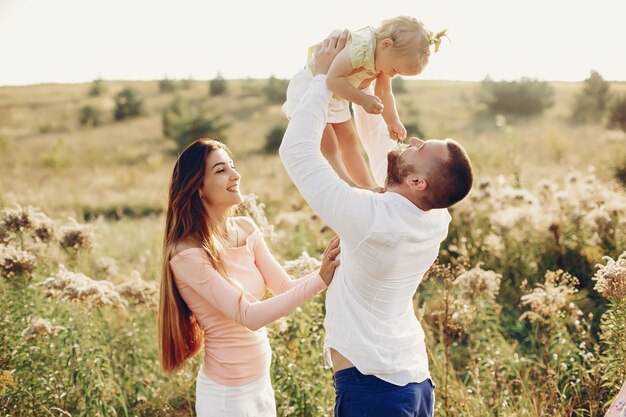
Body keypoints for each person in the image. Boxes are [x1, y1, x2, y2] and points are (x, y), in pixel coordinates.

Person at [279, 31, 473, 417]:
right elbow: (383, 147)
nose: (412, 140)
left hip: (374, 388)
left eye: (420, 148)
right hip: (413, 381)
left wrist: (322, 79)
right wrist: (374, 82)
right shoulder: (435, 216)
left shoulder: (371, 219)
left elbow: (297, 151)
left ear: (418, 182)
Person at [157, 138, 341, 417]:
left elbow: (283, 287)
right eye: (220, 170)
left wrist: (334, 265)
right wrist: (320, 280)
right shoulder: (187, 254)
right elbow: (248, 316)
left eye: (232, 166)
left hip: (261, 385)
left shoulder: (245, 228)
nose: (235, 175)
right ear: (198, 187)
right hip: (226, 398)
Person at [282, 16, 447, 191]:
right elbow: (332, 79)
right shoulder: (361, 48)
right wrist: (363, 99)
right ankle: (347, 183)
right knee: (329, 143)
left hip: (337, 95)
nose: (392, 75)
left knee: (349, 141)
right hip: (312, 87)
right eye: (395, 70)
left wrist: (393, 121)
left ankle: (366, 186)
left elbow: (384, 92)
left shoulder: (384, 59)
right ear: (386, 44)